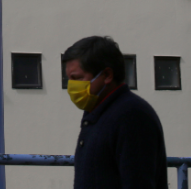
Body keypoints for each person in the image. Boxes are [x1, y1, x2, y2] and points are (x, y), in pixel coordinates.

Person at [63, 36, 167, 189]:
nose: (71, 86)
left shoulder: (131, 116)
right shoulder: (97, 112)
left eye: (77, 78)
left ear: (107, 75)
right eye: (69, 79)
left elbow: (137, 182)